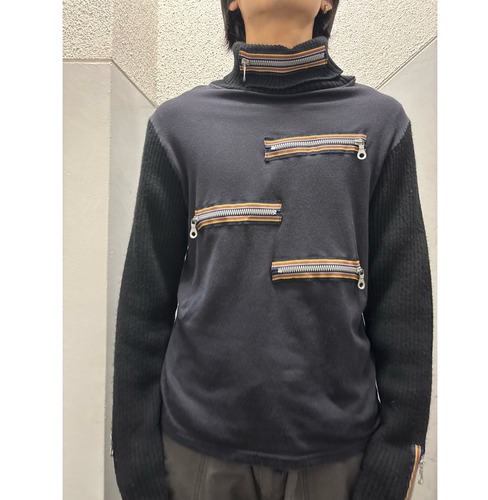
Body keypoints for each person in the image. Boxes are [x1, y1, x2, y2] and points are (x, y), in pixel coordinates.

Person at [111, 1, 434, 499]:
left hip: (339, 457)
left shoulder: (382, 124)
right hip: (197, 454)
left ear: (327, 2)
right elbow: (143, 303)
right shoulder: (177, 127)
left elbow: (404, 307)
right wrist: (137, 461)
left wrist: (396, 455)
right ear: (231, 3)